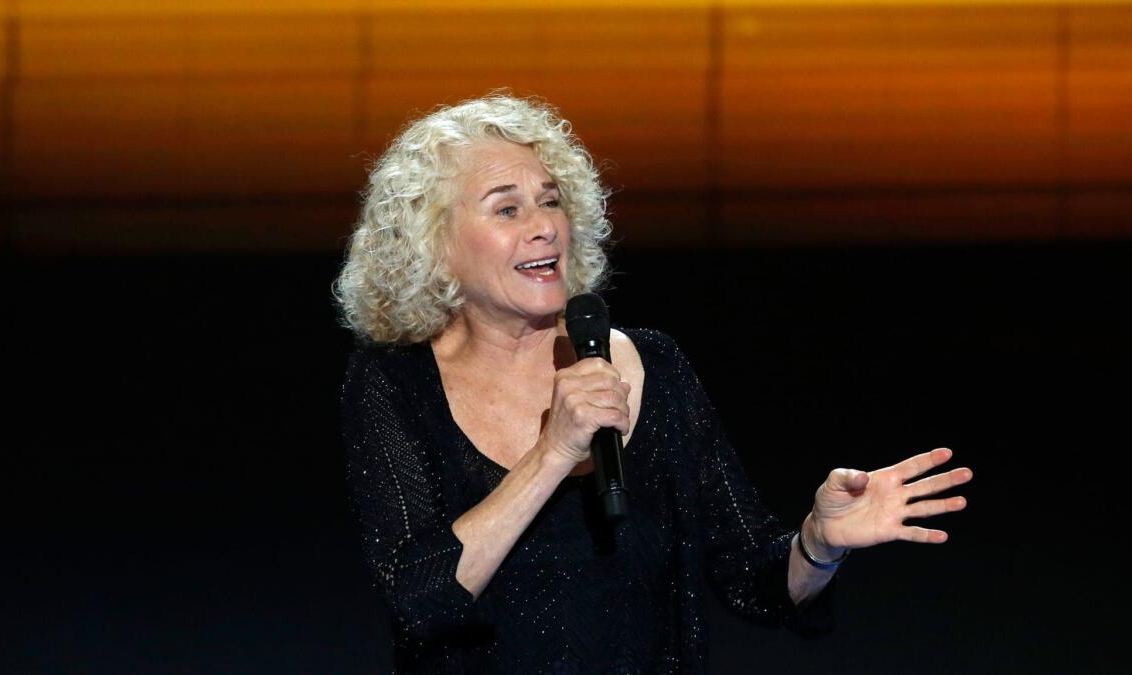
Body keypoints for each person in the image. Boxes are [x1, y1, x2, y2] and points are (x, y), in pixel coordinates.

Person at [334, 94, 973, 673]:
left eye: (551, 199)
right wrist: (555, 452)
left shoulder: (653, 366)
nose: (544, 226)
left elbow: (755, 578)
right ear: (435, 245)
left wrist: (820, 542)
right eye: (508, 207)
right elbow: (421, 598)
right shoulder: (395, 385)